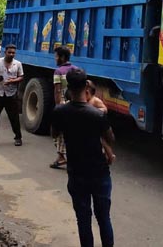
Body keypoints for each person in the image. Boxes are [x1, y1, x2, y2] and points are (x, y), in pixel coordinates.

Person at [51, 68, 116, 247]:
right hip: (99, 173)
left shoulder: (59, 111)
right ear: (86, 86)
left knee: (83, 219)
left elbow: (55, 133)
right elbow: (111, 138)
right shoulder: (97, 114)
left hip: (76, 172)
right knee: (104, 218)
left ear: (69, 87)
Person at [0, 44, 24, 147]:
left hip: (11, 94)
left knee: (14, 117)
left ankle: (18, 138)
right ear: (5, 52)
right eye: (9, 52)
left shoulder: (18, 64)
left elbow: (21, 77)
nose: (11, 54)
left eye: (13, 53)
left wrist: (13, 81)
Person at [51, 46, 78, 169]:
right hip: (76, 105)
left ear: (61, 57)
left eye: (56, 56)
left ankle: (62, 157)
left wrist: (58, 109)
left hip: (63, 106)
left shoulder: (58, 72)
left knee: (59, 133)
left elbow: (57, 91)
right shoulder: (76, 70)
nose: (55, 59)